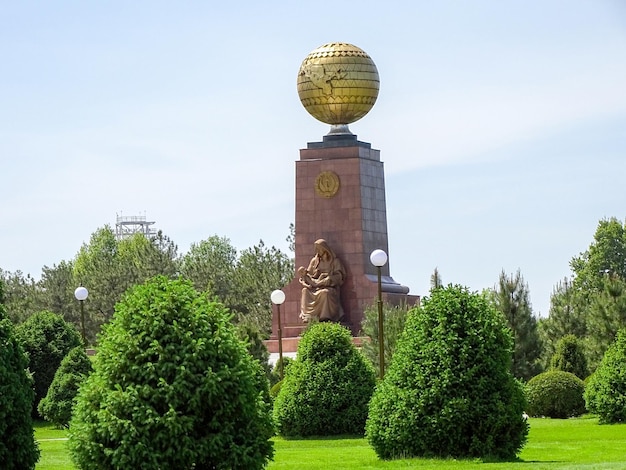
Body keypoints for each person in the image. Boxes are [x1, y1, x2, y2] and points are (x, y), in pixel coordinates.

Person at [298, 239, 346, 323]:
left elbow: (340, 276)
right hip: (315, 287)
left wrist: (330, 279)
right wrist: (306, 283)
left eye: (318, 248)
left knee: (325, 293)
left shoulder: (335, 261)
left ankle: (325, 317)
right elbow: (306, 275)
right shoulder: (314, 261)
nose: (317, 251)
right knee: (305, 291)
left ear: (324, 249)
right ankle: (308, 316)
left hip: (329, 287)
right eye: (316, 249)